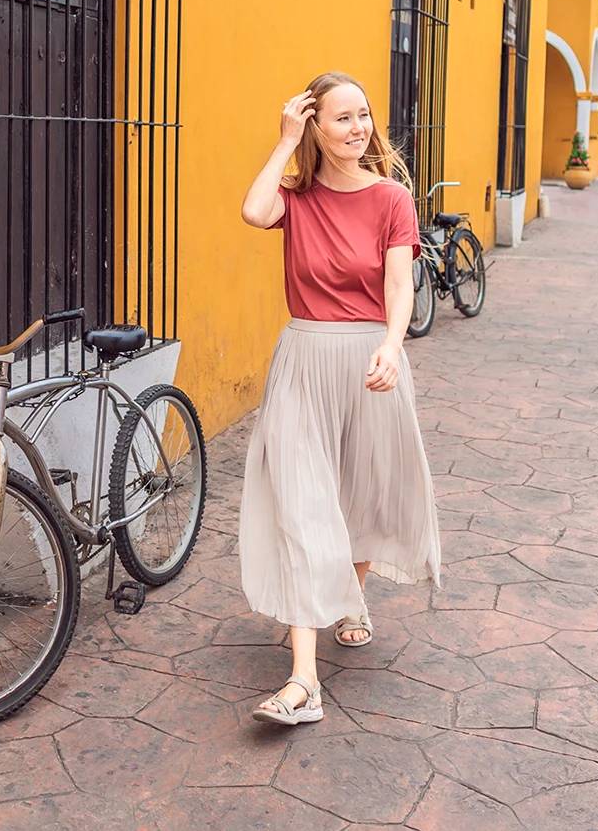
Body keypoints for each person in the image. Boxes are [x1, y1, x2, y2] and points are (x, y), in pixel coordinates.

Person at [238, 72, 442, 727]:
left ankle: (351, 598)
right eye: (343, 118)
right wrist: (282, 142)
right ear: (316, 126)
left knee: (359, 498)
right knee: (302, 506)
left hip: (370, 363)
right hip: (302, 361)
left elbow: (399, 285)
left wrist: (392, 343)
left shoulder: (391, 199)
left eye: (364, 116)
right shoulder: (295, 198)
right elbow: (252, 211)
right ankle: (304, 682)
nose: (359, 129)